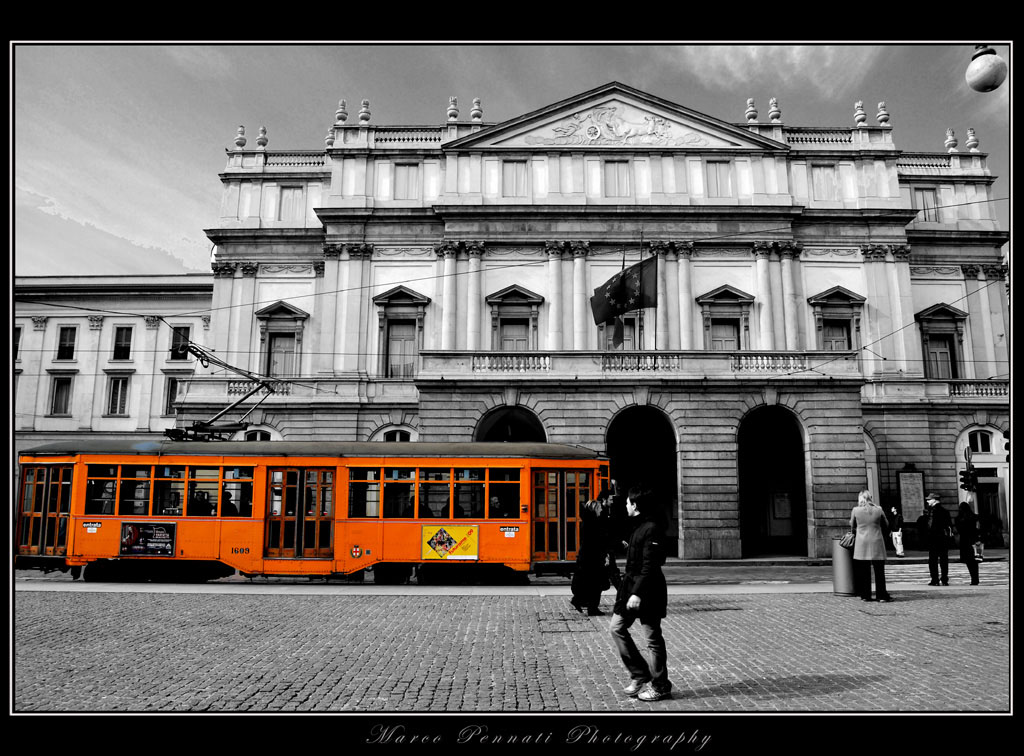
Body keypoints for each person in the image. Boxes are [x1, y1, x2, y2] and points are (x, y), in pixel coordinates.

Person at [609, 487, 672, 702]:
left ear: (635, 506)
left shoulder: (651, 528)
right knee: (616, 628)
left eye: (628, 502)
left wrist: (636, 593)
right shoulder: (639, 526)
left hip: (647, 592)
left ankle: (661, 685)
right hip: (630, 589)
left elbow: (650, 566)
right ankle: (640, 674)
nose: (625, 505)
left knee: (653, 639)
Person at [571, 488, 614, 616]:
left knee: (591, 584)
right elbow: (598, 542)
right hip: (594, 558)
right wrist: (604, 555)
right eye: (599, 508)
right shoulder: (594, 524)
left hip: (588, 558)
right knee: (596, 585)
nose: (601, 510)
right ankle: (591, 607)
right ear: (595, 509)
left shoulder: (588, 523)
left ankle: (581, 602)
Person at [849, 489, 892, 602]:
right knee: (879, 571)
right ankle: (881, 595)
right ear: (870, 498)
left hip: (862, 543)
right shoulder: (879, 509)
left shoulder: (856, 510)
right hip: (876, 541)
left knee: (864, 571)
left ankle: (865, 595)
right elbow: (886, 524)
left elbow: (852, 525)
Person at [917, 492, 953, 586]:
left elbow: (929, 526)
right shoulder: (945, 511)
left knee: (933, 560)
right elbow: (949, 525)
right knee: (944, 560)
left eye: (929, 499)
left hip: (934, 539)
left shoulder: (931, 511)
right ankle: (944, 579)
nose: (927, 501)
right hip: (943, 539)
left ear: (935, 500)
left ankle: (935, 579)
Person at [955, 500, 981, 585]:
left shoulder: (959, 519)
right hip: (975, 540)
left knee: (968, 561)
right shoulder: (975, 517)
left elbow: (959, 530)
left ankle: (973, 579)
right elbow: (978, 529)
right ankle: (976, 578)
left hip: (965, 541)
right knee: (975, 560)